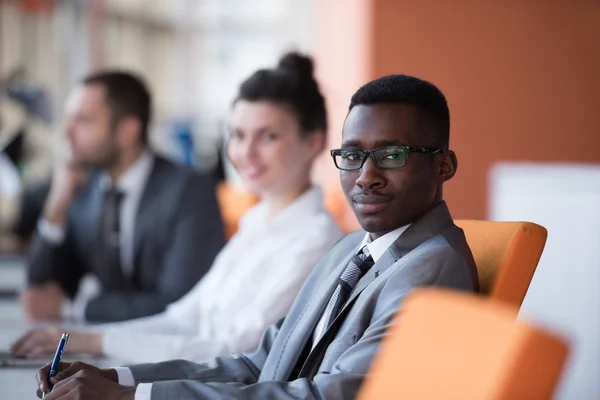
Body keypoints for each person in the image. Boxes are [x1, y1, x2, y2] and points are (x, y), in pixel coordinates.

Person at [34, 74, 479, 400]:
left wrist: (130, 398)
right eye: (353, 155)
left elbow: (326, 397)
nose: (366, 177)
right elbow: (259, 360)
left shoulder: (430, 264)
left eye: (392, 155)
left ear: (444, 166)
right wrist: (118, 378)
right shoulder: (350, 248)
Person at [12, 53, 343, 363]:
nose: (247, 152)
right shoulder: (257, 221)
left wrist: (96, 341)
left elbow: (237, 351)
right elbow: (186, 316)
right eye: (238, 135)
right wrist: (82, 337)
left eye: (267, 136)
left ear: (313, 142)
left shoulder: (316, 241)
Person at [21, 71, 225, 322]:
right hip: (103, 347)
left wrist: (76, 308)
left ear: (127, 131)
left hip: (171, 351)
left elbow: (181, 302)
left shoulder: (189, 192)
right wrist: (55, 207)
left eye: (83, 121)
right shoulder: (84, 189)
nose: (68, 133)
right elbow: (40, 292)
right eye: (69, 119)